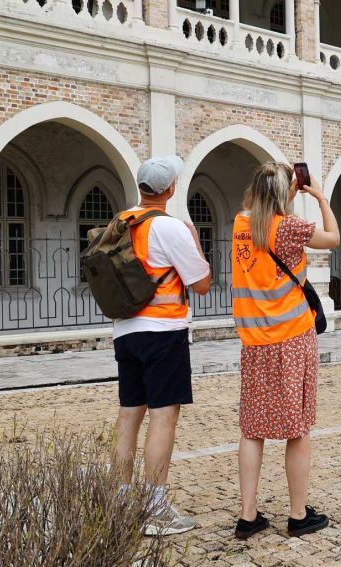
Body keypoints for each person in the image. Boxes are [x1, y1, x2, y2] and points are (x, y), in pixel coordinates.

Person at [231, 163, 340, 539]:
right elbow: (334, 238)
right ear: (284, 194)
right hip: (292, 338)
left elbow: (262, 210)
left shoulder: (240, 224)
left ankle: (248, 516)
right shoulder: (289, 228)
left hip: (254, 344)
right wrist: (320, 197)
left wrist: (281, 193)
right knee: (298, 428)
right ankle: (297, 515)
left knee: (252, 429)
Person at [111, 156, 212, 536]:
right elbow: (201, 282)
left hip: (126, 330)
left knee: (128, 416)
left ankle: (121, 501)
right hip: (163, 331)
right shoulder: (169, 227)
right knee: (163, 415)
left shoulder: (121, 222)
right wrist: (196, 244)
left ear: (141, 187)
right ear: (169, 190)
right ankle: (154, 509)